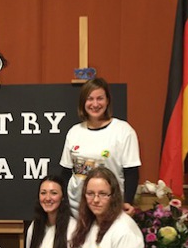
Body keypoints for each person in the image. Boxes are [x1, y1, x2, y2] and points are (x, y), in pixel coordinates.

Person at [60, 77, 141, 218]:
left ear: (107, 101)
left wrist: (127, 202)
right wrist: (66, 203)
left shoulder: (123, 131)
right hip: (76, 209)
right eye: (90, 99)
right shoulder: (74, 131)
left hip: (110, 208)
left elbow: (131, 172)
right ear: (83, 102)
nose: (95, 104)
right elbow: (66, 172)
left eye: (100, 98)